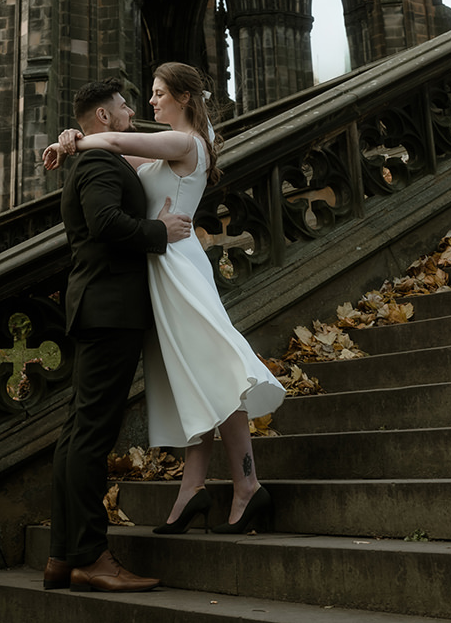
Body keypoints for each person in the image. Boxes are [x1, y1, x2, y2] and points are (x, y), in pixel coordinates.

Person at [44, 62, 285, 536]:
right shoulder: (163, 151)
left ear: (183, 98)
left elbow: (112, 141)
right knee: (189, 378)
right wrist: (75, 136)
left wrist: (76, 140)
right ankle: (192, 490)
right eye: (148, 95)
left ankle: (247, 487)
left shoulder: (185, 142)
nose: (149, 103)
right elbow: (117, 155)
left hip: (178, 268)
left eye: (157, 94)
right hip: (161, 267)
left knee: (217, 371)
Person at [43, 78, 194, 594]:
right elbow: (105, 222)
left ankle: (63, 555)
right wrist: (160, 233)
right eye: (124, 105)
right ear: (104, 117)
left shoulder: (95, 156)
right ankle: (90, 557)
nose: (133, 111)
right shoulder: (101, 164)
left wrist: (73, 139)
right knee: (90, 437)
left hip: (99, 308)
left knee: (76, 434)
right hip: (109, 310)